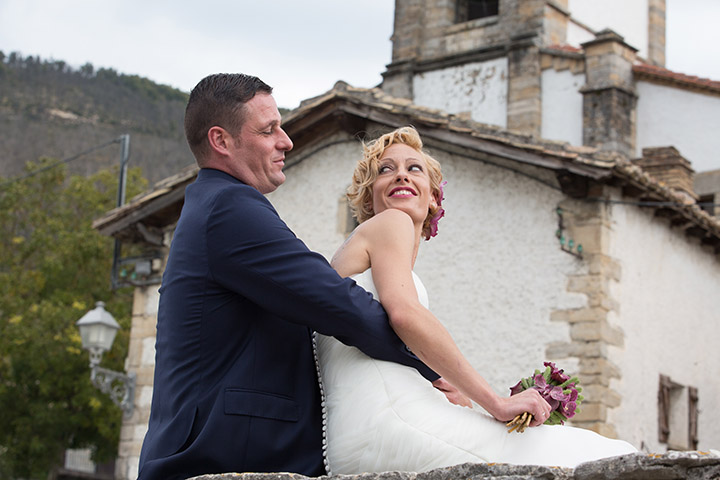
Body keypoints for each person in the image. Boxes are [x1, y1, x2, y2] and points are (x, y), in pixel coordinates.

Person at [137, 75, 442, 479]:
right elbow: (338, 304)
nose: (287, 141)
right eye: (269, 130)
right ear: (221, 140)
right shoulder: (229, 208)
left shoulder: (214, 206)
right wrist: (433, 369)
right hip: (219, 454)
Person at [317, 126, 638, 473]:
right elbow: (405, 315)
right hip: (391, 422)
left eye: (414, 168)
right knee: (605, 455)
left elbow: (373, 340)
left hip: (361, 430)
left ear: (433, 198)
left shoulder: (371, 252)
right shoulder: (390, 222)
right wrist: (496, 403)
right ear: (368, 199)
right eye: (385, 169)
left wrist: (439, 384)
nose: (401, 175)